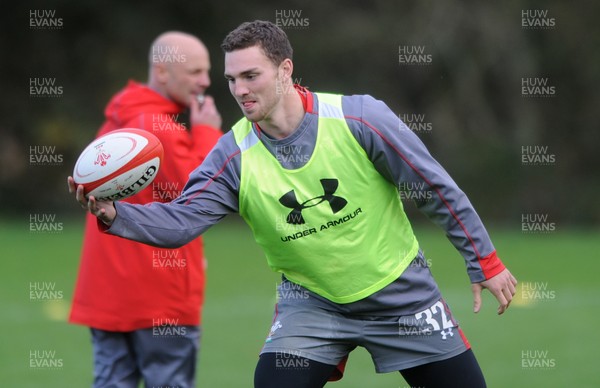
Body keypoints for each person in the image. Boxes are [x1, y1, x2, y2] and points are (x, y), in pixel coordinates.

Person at [69, 21, 517, 388]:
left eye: (251, 76)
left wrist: (485, 261)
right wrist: (116, 214)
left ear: (285, 70)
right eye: (231, 80)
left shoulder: (360, 118)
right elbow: (180, 220)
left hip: (402, 296)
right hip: (311, 306)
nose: (239, 90)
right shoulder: (231, 156)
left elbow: (434, 188)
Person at [68, 31, 222, 387]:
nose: (206, 81)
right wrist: (207, 134)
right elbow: (201, 195)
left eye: (207, 71)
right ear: (163, 72)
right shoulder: (160, 130)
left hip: (108, 293)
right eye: (196, 72)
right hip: (159, 295)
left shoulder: (118, 117)